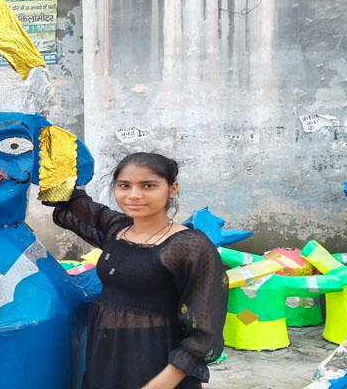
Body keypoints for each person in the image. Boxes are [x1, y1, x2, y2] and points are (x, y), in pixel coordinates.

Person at [50, 152, 227, 389]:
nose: (134, 195)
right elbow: (75, 204)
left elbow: (206, 330)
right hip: (105, 354)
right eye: (124, 185)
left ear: (172, 189)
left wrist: (162, 383)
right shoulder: (116, 229)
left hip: (155, 360)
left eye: (148, 186)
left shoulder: (189, 246)